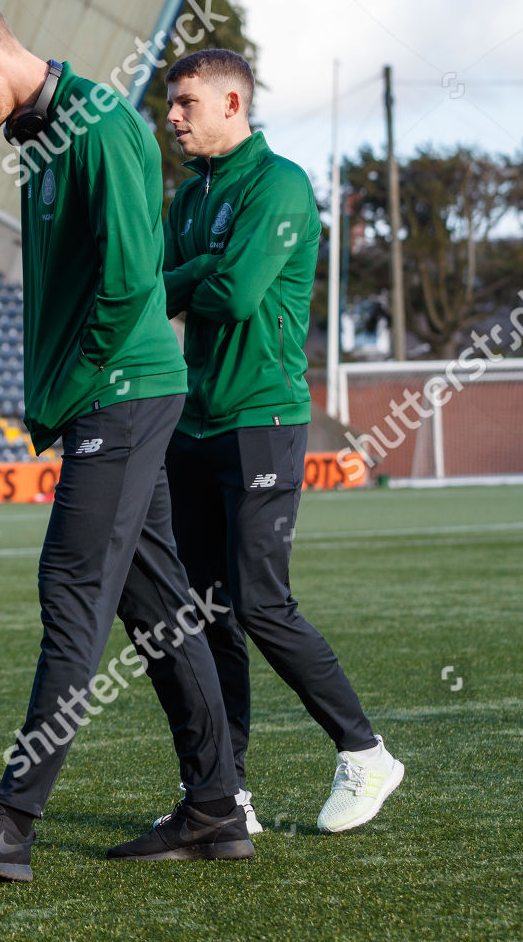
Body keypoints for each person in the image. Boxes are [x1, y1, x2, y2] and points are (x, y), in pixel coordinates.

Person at [0, 0, 249, 879]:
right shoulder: (45, 143)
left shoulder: (101, 128)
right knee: (159, 608)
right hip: (107, 399)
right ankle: (216, 805)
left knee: (70, 588)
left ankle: (12, 825)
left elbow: (132, 281)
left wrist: (77, 381)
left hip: (123, 395)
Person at [160, 48, 403, 834]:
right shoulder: (188, 196)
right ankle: (226, 794)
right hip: (192, 422)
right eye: (172, 102)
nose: (173, 116)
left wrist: (198, 272)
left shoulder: (282, 183)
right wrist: (203, 267)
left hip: (262, 420)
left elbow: (231, 296)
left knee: (262, 603)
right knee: (205, 613)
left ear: (233, 104)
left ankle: (365, 754)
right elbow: (157, 290)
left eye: (186, 102)